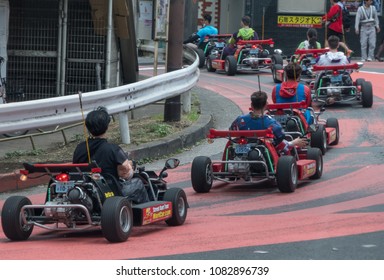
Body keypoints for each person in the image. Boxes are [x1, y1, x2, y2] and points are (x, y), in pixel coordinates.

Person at [73, 106, 149, 204]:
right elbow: (126, 173)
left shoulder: (80, 148)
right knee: (138, 183)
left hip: (85, 190)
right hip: (110, 192)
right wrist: (131, 165)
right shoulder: (113, 149)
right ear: (107, 127)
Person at [229, 91, 308, 154]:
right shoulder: (272, 123)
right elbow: (280, 145)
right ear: (266, 105)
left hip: (241, 152)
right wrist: (293, 143)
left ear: (251, 105)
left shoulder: (240, 120)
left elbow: (231, 131)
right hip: (263, 153)